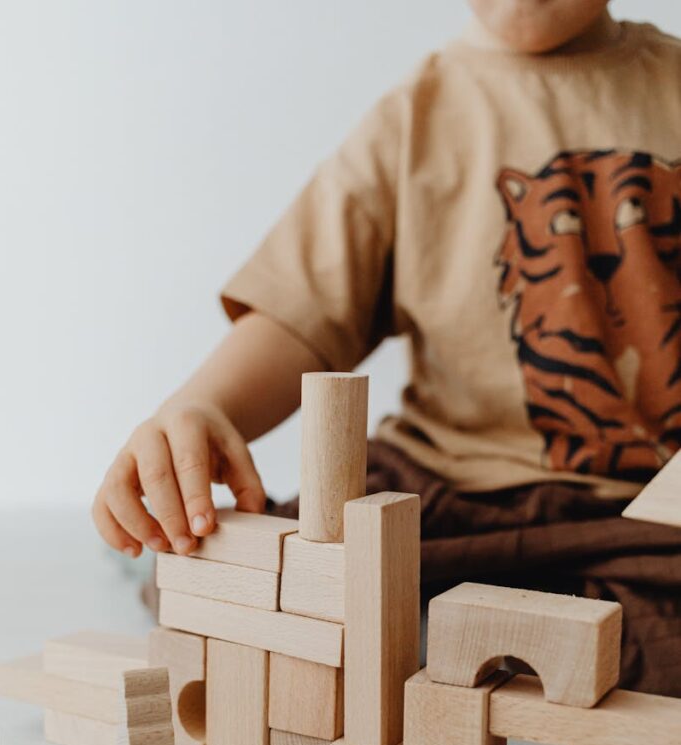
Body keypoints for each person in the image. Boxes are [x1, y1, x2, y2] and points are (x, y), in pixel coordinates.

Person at [93, 1, 681, 696]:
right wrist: (198, 407)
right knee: (239, 577)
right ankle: (450, 649)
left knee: (652, 649)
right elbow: (302, 316)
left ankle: (457, 654)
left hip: (642, 517)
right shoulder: (413, 117)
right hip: (438, 491)